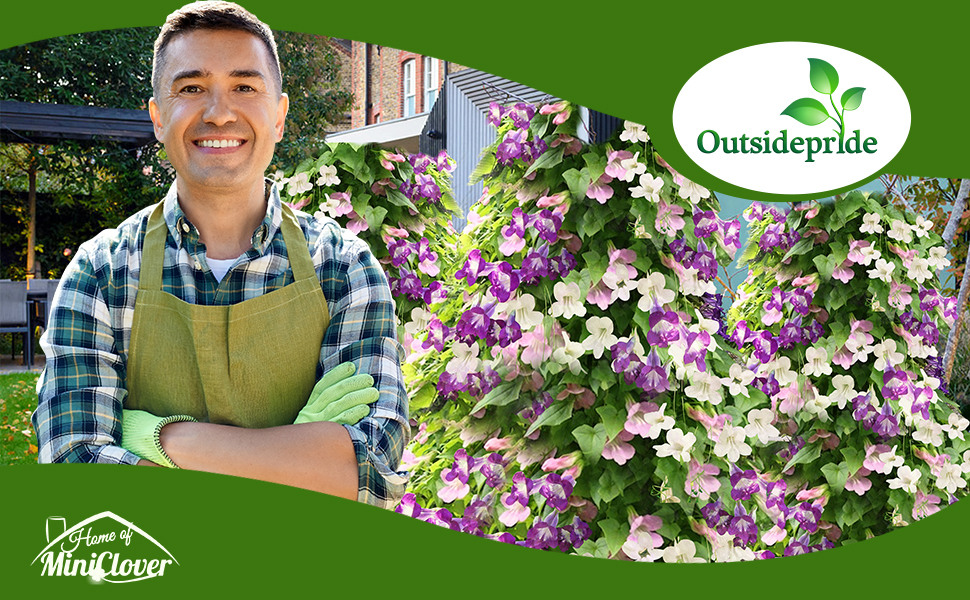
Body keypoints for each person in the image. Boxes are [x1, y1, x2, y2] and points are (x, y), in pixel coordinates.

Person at [32, 1, 408, 509]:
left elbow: (369, 472)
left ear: (278, 115)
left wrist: (160, 439)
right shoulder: (101, 272)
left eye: (244, 87)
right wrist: (295, 458)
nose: (219, 112)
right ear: (158, 117)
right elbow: (73, 468)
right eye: (191, 88)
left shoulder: (343, 267)